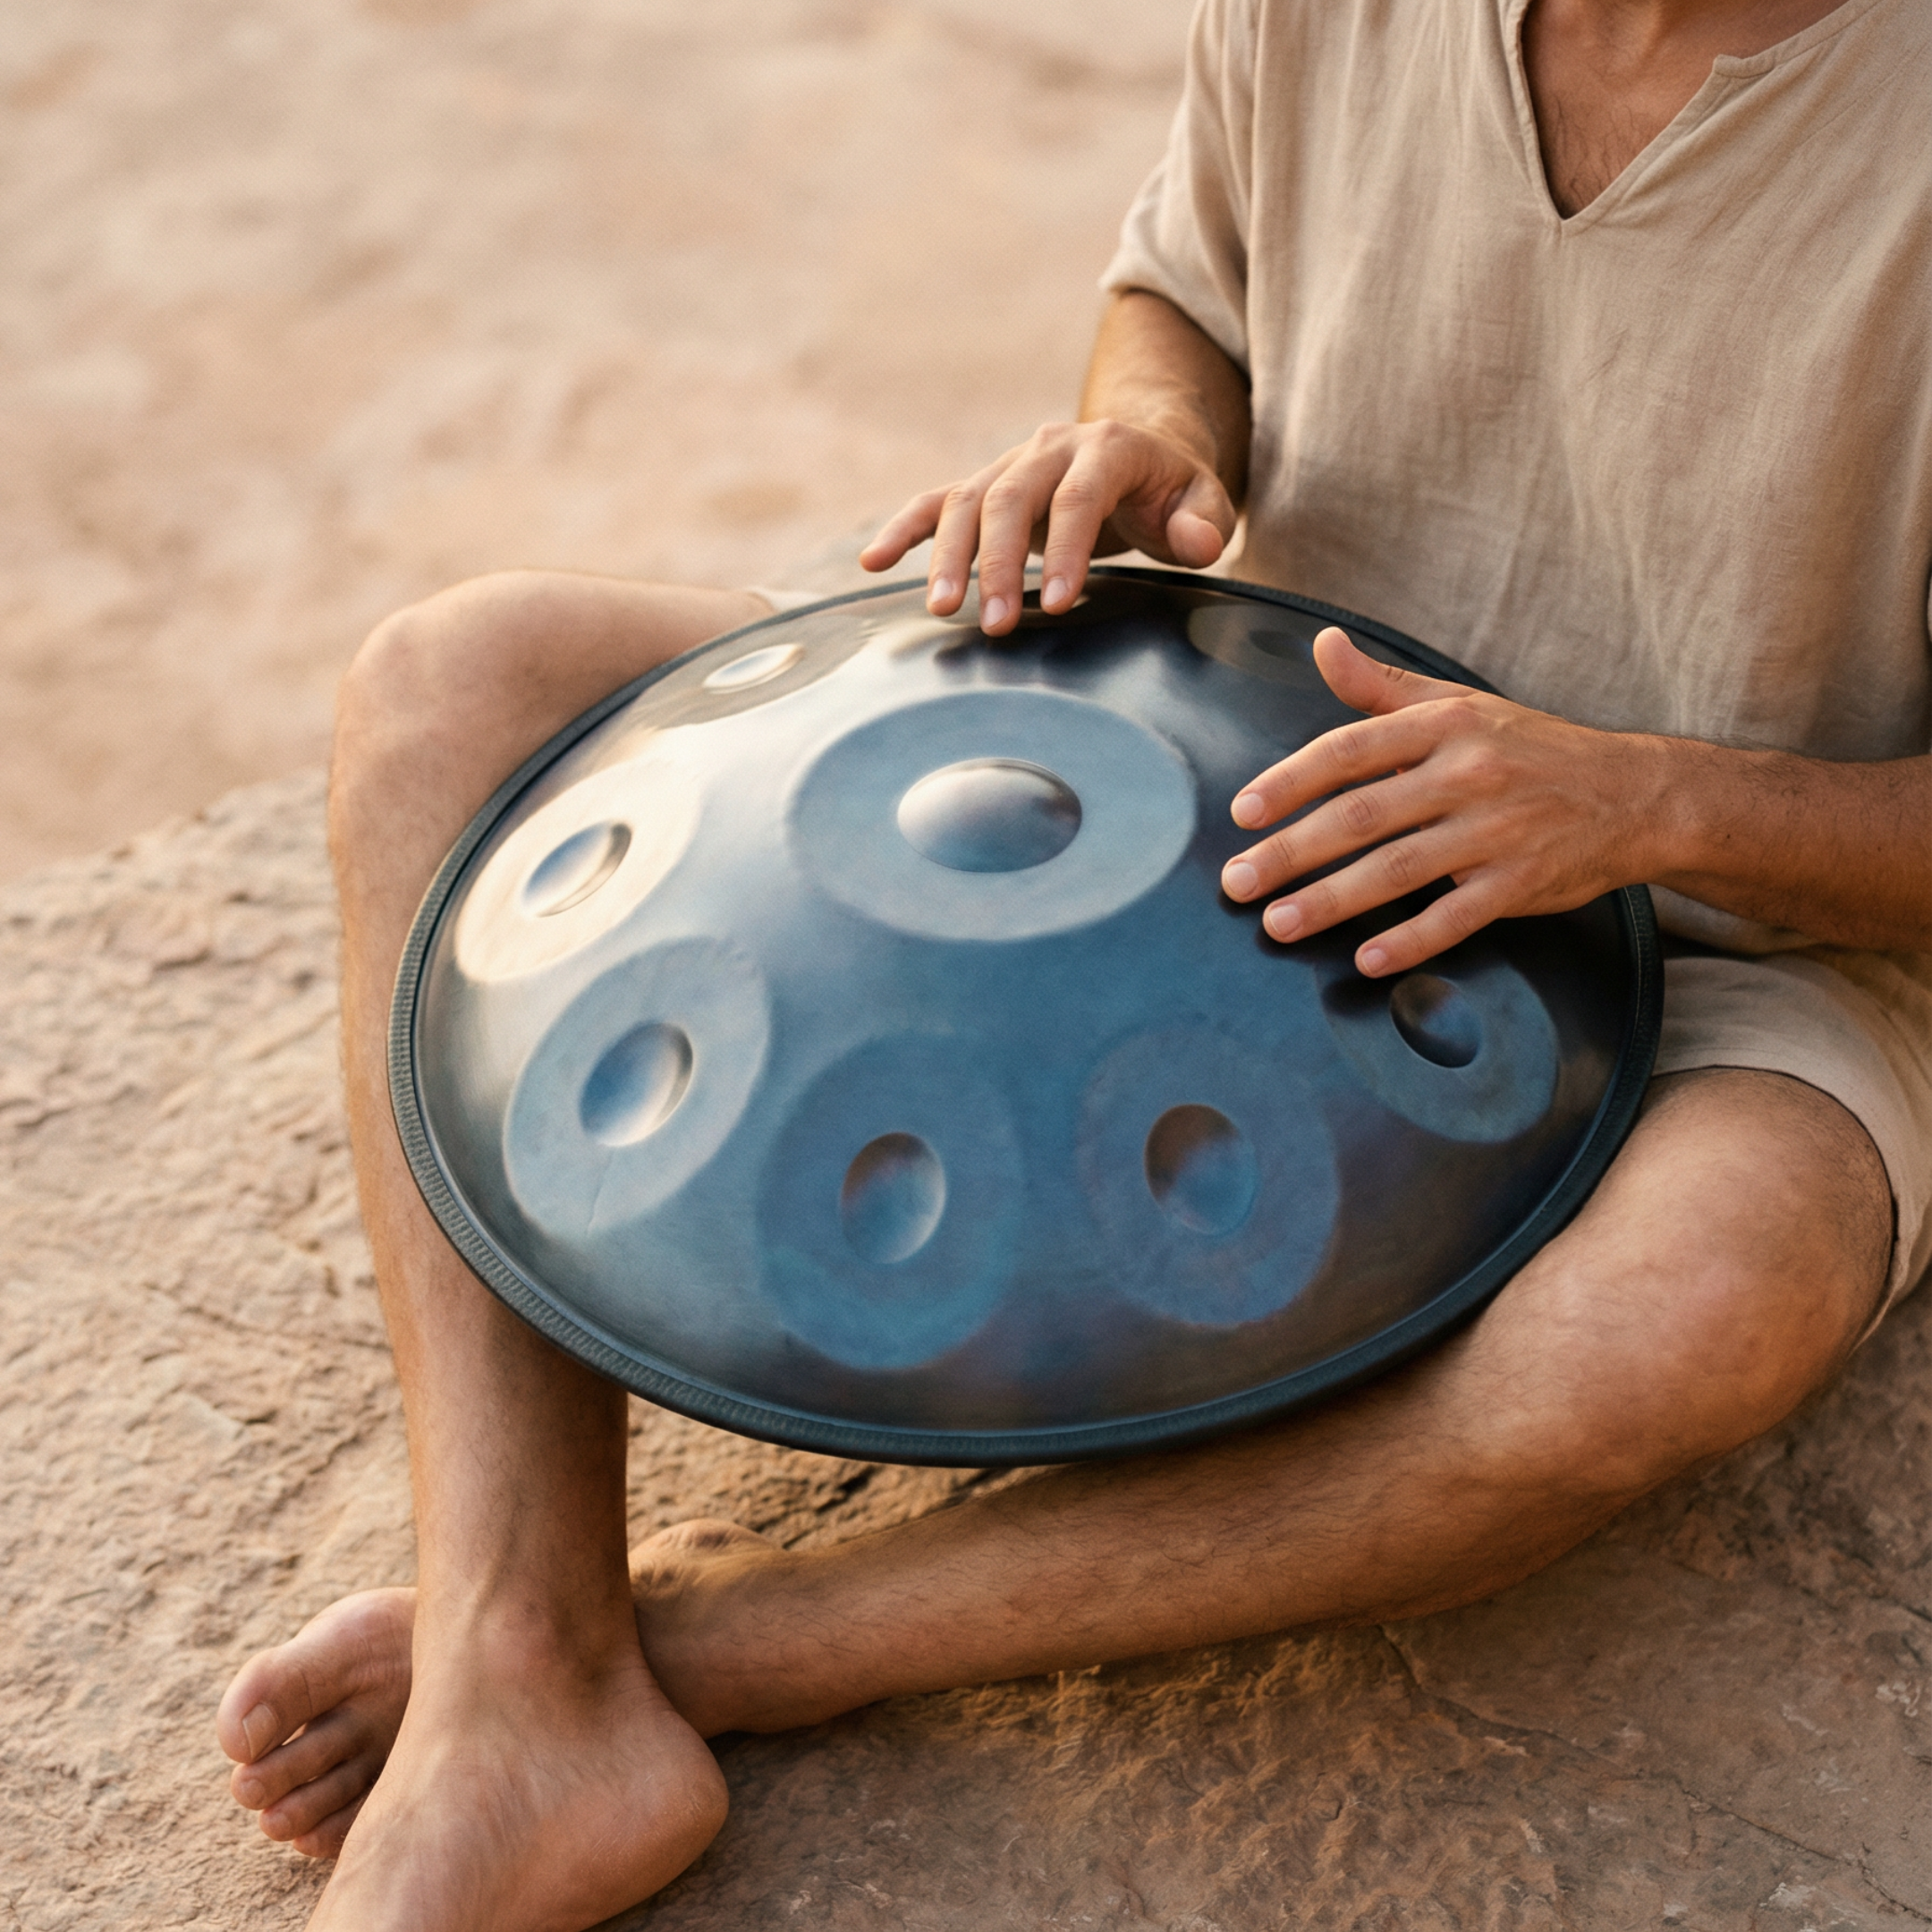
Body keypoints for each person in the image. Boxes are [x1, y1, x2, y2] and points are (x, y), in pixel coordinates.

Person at [213, 0, 1932, 1925]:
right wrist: (1148, 440)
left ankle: (713, 1645)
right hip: (1217, 748)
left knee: (1674, 1320)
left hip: (1740, 921)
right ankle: (517, 1668)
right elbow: (1180, 287)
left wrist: (1643, 806)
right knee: (461, 689)